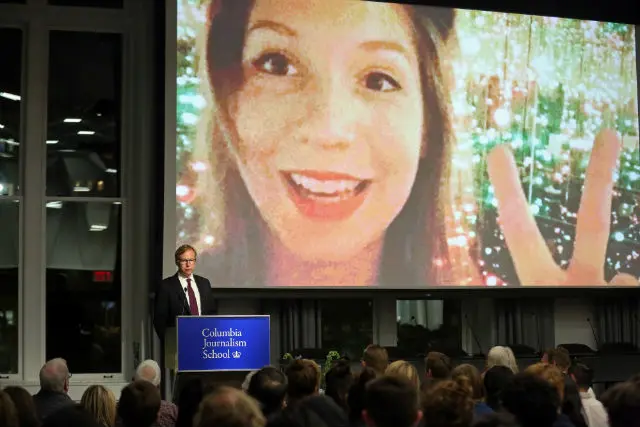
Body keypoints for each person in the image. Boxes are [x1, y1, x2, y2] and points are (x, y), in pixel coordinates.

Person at [181, 0, 638, 289]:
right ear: (229, 103)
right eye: (277, 64)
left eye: (379, 79)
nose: (329, 128)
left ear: (426, 127)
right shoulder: (184, 290)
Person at [153, 245, 216, 340]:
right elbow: (159, 320)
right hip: (178, 341)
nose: (188, 264)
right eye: (184, 260)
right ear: (177, 262)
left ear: (195, 261)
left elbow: (211, 313)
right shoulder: (166, 286)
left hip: (204, 339)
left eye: (191, 260)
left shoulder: (204, 283)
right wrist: (169, 342)